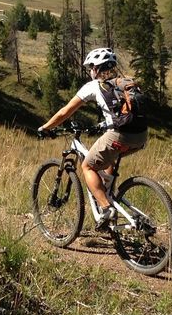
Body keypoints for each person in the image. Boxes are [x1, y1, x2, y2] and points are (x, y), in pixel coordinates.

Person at [37, 47, 148, 229]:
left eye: (91, 68)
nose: (90, 71)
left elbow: (65, 112)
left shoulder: (94, 85)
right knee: (109, 159)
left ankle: (106, 209)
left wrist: (45, 127)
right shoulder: (126, 82)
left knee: (87, 166)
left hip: (119, 135)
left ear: (97, 68)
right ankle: (109, 196)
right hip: (141, 137)